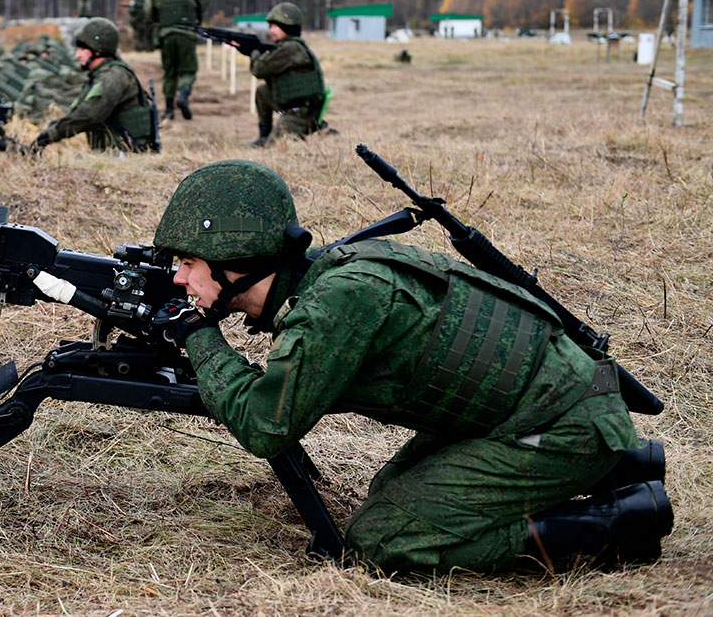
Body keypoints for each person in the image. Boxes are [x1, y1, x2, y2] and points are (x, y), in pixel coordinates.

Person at [149, 160, 673, 573]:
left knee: (384, 537)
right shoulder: (335, 276)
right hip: (548, 404)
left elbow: (266, 424)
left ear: (234, 261)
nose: (179, 278)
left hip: (557, 421)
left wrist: (199, 337)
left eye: (189, 263)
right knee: (390, 492)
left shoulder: (336, 304)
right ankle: (621, 463)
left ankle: (621, 520)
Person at [32, 18, 155, 153]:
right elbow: (77, 112)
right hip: (115, 151)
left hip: (125, 153)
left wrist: (47, 137)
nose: (77, 55)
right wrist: (48, 133)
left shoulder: (112, 77)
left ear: (97, 51)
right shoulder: (103, 74)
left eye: (82, 49)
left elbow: (87, 115)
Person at [245, 3, 328, 147]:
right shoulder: (289, 46)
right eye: (270, 26)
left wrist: (253, 52)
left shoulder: (290, 48)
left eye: (275, 26)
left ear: (288, 27)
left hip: (301, 113)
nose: (271, 30)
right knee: (263, 91)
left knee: (273, 146)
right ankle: (263, 136)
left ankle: (314, 129)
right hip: (293, 105)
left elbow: (259, 69)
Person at [144, 0, 208, 120]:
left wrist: (159, 19)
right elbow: (204, 4)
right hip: (187, 35)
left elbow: (148, 12)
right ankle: (183, 95)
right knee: (188, 70)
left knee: (169, 72)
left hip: (166, 35)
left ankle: (169, 109)